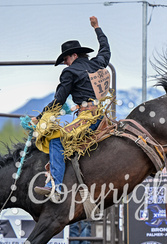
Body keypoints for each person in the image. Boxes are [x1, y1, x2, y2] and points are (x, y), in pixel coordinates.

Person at [32, 16, 111, 202]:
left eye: (66, 58)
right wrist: (97, 28)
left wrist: (40, 117)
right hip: (101, 114)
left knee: (56, 139)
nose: (65, 62)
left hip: (87, 118)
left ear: (74, 55)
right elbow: (106, 50)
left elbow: (58, 101)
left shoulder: (69, 72)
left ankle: (56, 186)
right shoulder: (96, 63)